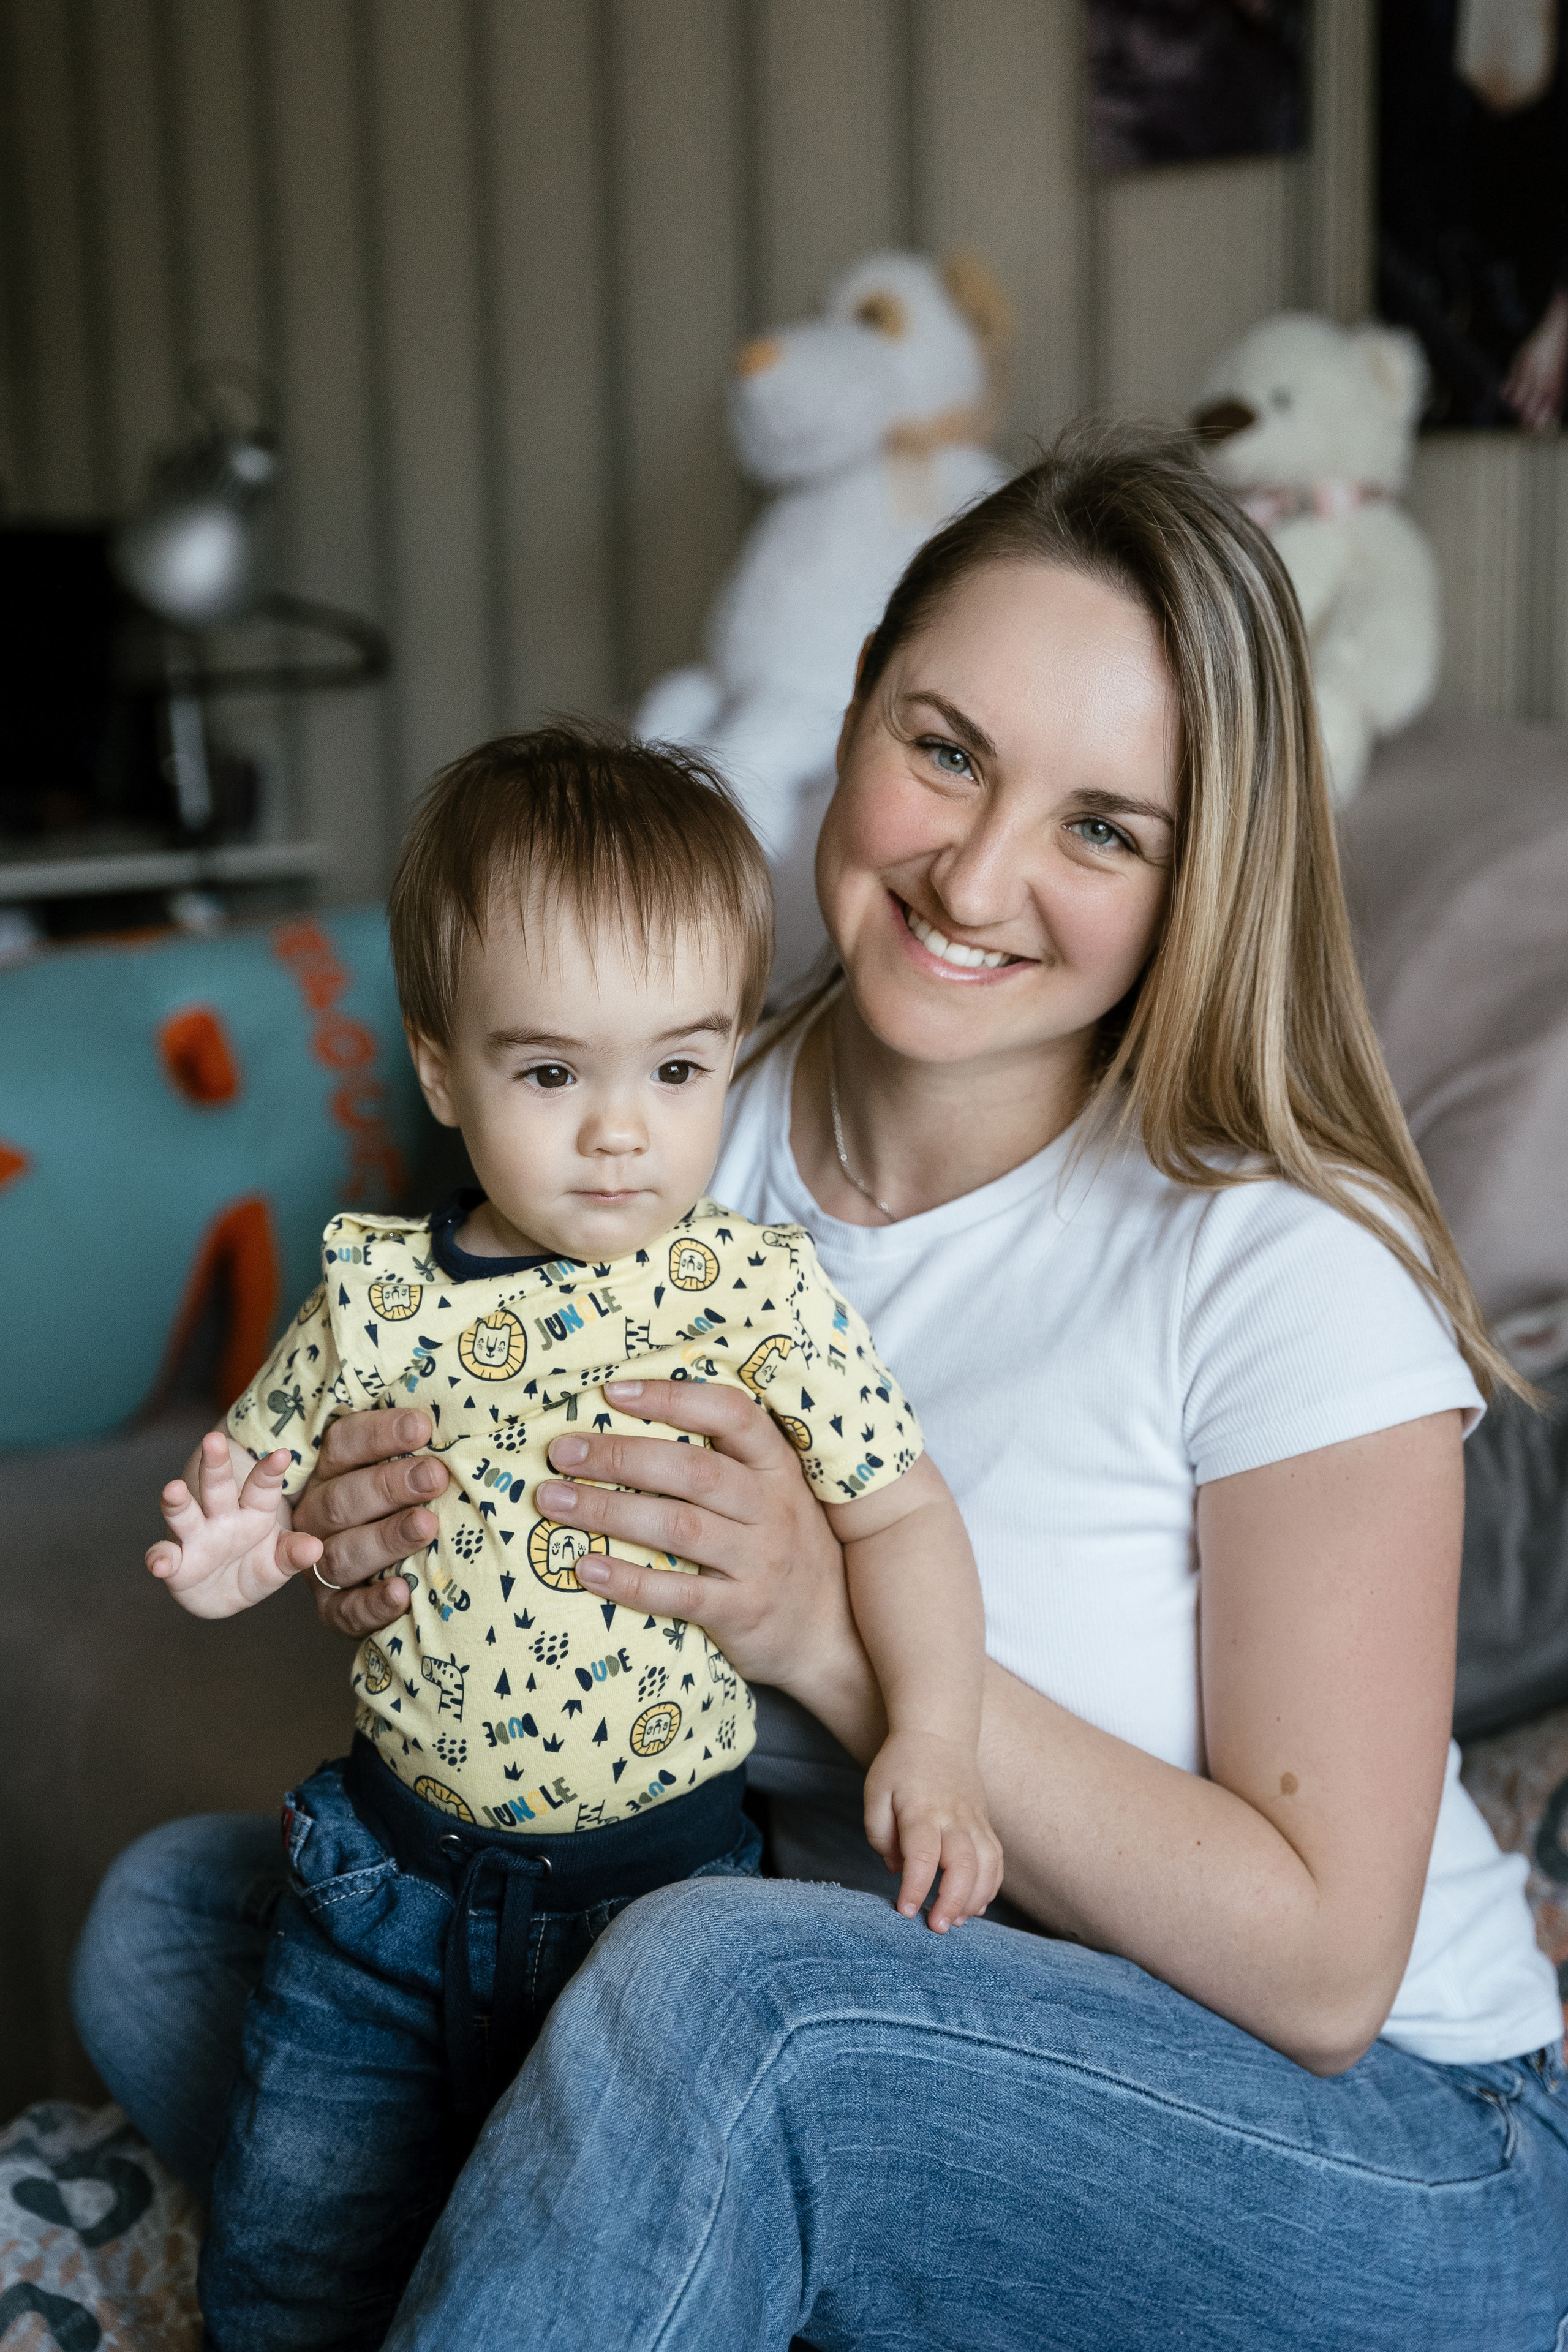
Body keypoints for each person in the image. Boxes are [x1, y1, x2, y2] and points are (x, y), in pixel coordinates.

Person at [75, 423, 1568, 2349]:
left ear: (1202, 881)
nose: (978, 871)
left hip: (1393, 2152)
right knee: (194, 1918)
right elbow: (528, 1619)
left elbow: (1321, 1969)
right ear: (852, 714)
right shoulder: (675, 1115)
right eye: (946, 750)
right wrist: (383, 1548)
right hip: (903, 2010)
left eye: (1103, 827)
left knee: (728, 2001)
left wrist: (819, 1623)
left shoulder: (1275, 1258)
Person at [141, 729, 998, 2352]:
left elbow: (900, 1512)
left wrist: (940, 1738)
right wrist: (236, 1560)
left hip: (658, 1916)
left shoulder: (759, 1291)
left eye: (677, 1072)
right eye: (553, 1074)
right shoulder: (376, 1297)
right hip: (381, 1903)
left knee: (608, 2255)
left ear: (730, 1058)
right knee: (286, 2269)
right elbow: (263, 1492)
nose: (621, 1134)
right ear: (445, 1070)